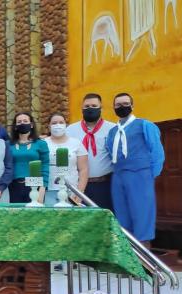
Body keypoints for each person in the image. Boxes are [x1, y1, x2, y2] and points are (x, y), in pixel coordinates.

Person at [105, 93, 165, 243]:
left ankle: (145, 262)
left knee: (142, 216)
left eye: (125, 103)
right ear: (113, 108)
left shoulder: (145, 125)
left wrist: (149, 175)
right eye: (118, 105)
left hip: (140, 176)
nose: (121, 107)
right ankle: (129, 259)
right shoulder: (112, 132)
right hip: (118, 177)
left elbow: (157, 151)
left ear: (132, 106)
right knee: (122, 219)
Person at [67, 93, 115, 210]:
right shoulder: (70, 130)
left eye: (94, 106)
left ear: (101, 108)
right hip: (78, 185)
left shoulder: (112, 129)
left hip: (105, 185)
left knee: (105, 220)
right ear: (82, 109)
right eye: (87, 106)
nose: (90, 109)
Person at [43, 112, 89, 206]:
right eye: (54, 123)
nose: (58, 125)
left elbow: (83, 169)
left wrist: (79, 193)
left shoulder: (76, 143)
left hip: (71, 190)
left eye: (61, 122)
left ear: (65, 125)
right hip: (49, 190)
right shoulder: (43, 143)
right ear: (49, 126)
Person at [8, 112, 49, 203]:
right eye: (19, 122)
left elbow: (45, 167)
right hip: (13, 186)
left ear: (31, 125)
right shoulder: (8, 145)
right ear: (15, 126)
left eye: (25, 121)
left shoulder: (40, 143)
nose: (22, 123)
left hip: (34, 185)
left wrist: (42, 191)